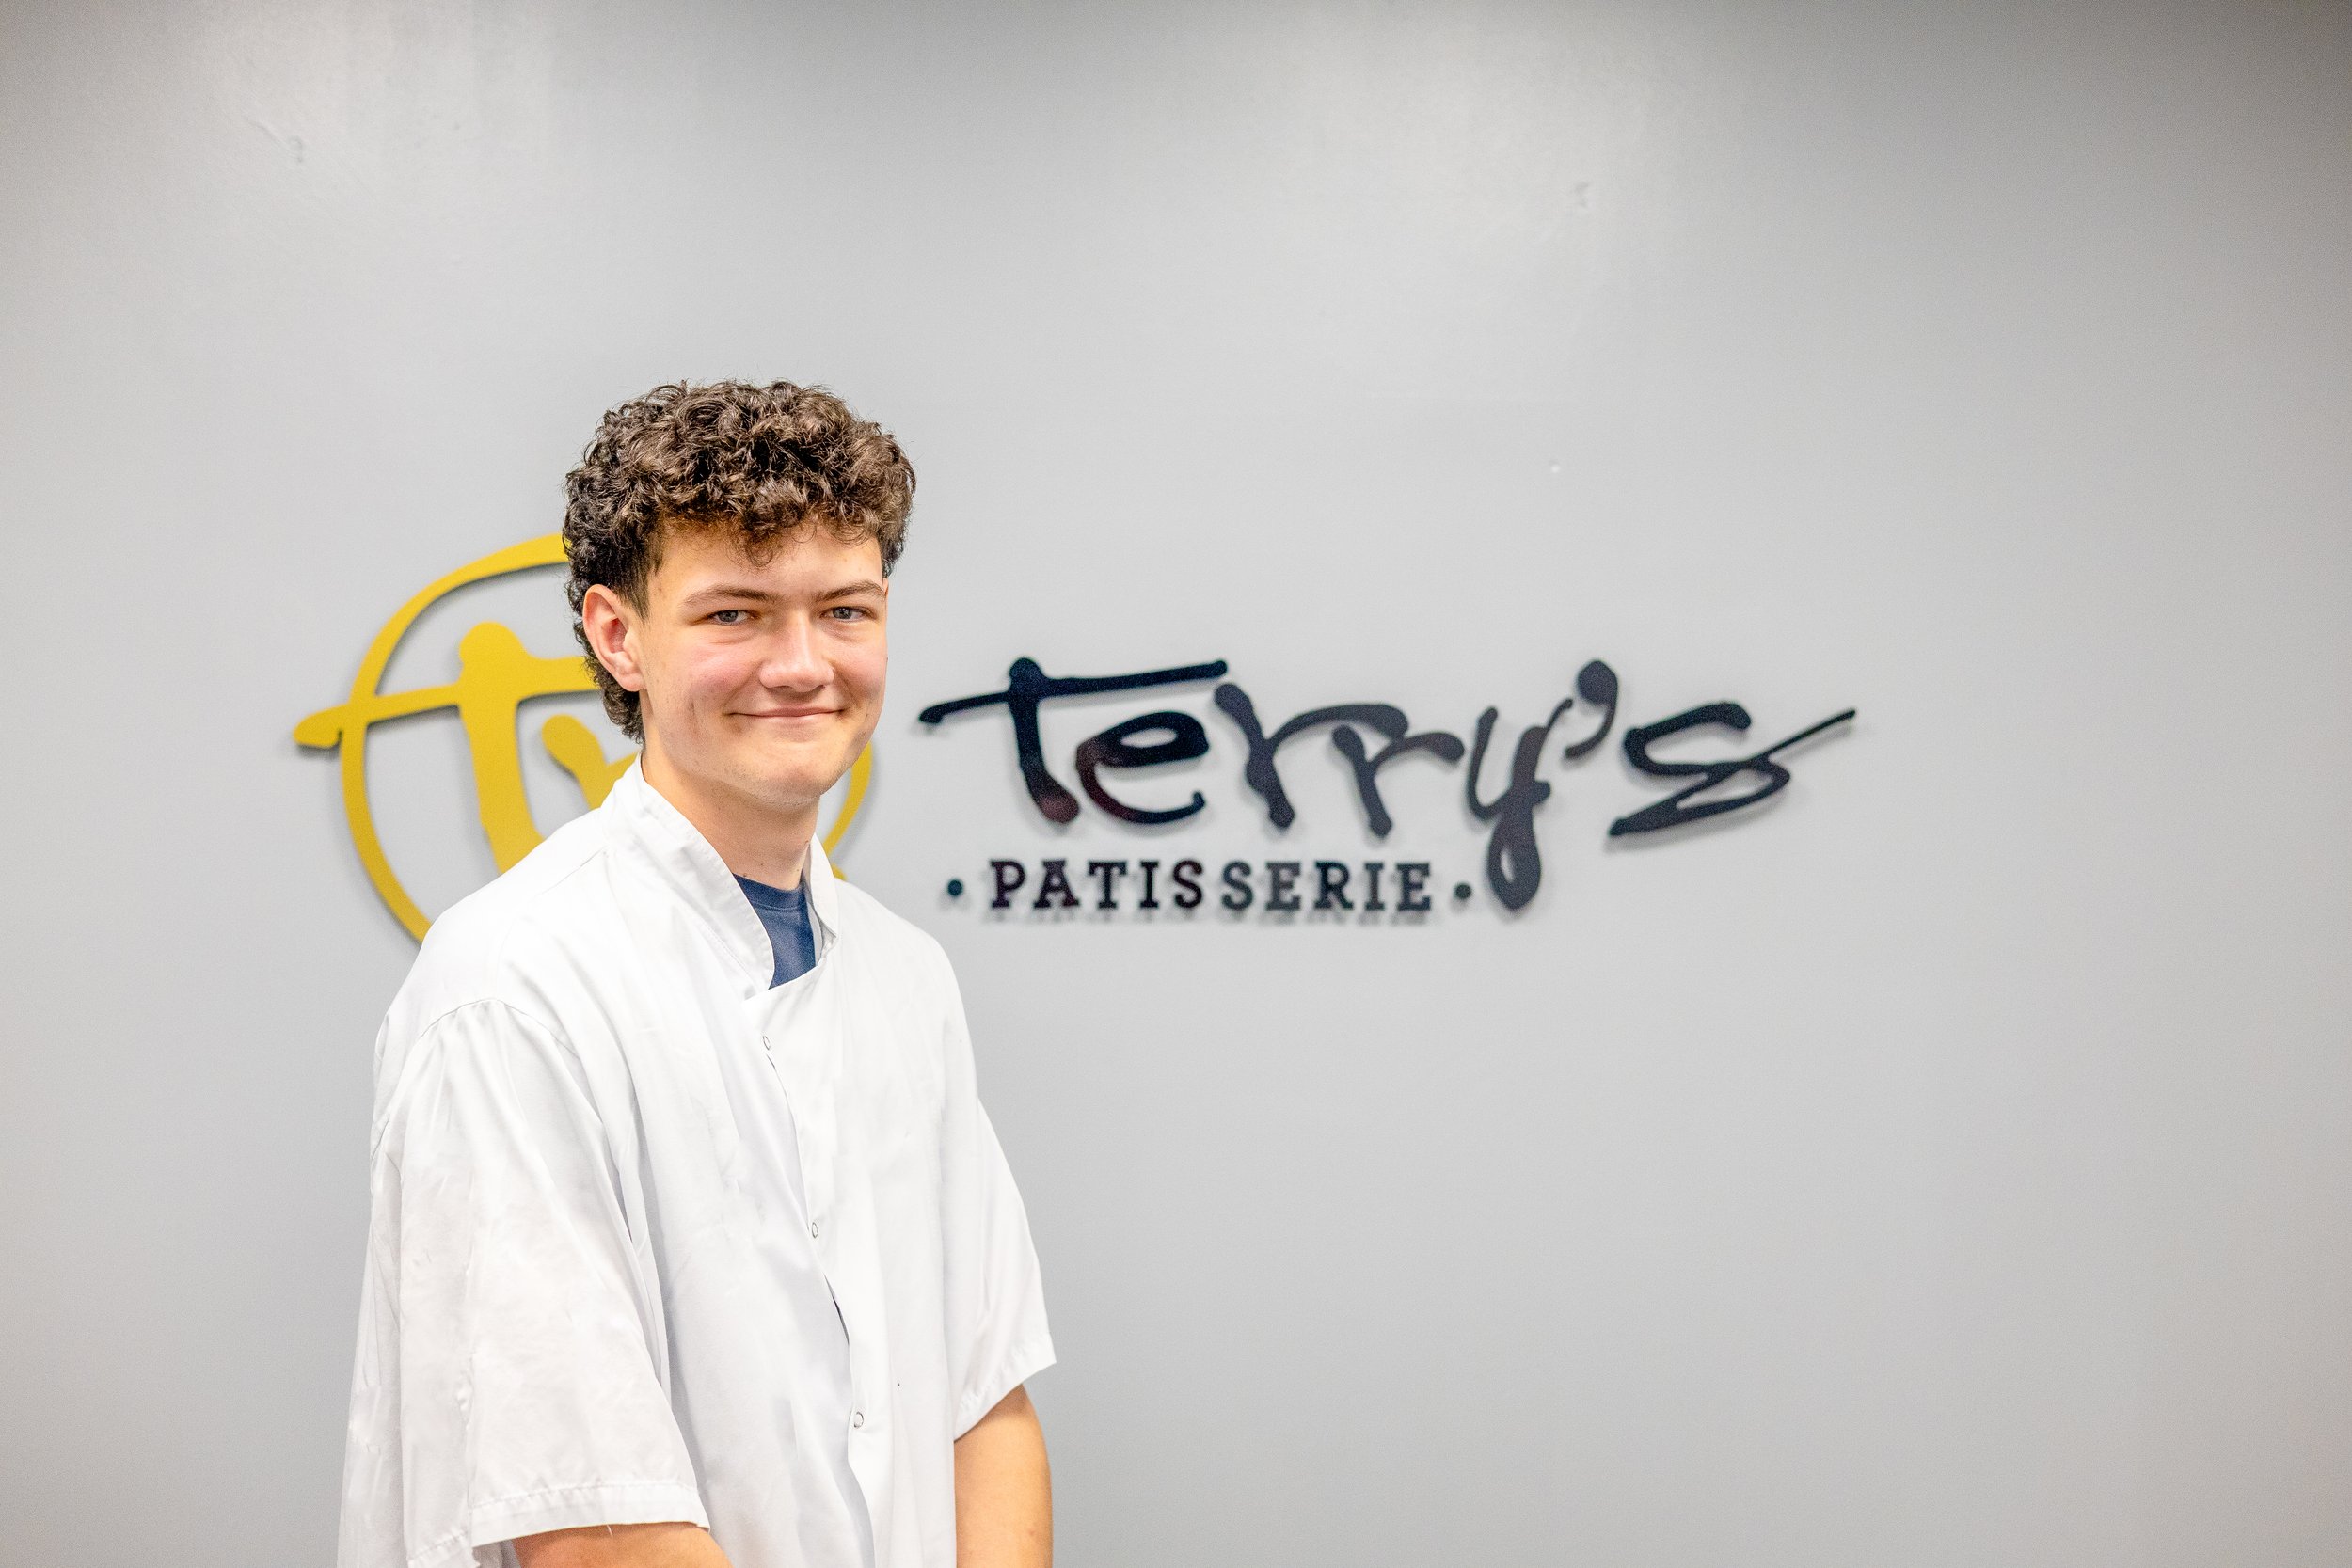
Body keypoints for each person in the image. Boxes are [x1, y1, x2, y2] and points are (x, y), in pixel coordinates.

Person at [337, 382, 1055, 1568]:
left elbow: (988, 1401)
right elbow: (586, 1517)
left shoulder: (903, 975)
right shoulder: (512, 986)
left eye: (845, 608)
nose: (802, 662)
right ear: (618, 634)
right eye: (734, 613)